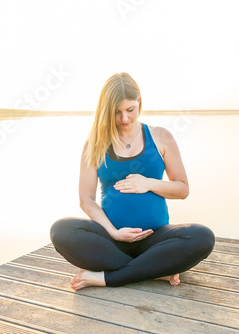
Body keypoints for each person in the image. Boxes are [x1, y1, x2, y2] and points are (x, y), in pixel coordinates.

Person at [49, 72, 215, 290]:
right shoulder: (95, 143)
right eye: (116, 112)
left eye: (130, 110)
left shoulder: (161, 137)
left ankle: (110, 277)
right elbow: (86, 200)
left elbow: (182, 189)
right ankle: (154, 271)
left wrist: (149, 183)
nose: (125, 119)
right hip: (110, 241)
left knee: (202, 237)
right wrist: (113, 232)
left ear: (139, 103)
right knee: (61, 230)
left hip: (156, 239)